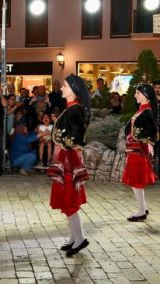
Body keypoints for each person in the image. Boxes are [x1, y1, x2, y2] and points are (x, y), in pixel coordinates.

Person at [48, 75, 91, 257]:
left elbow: (77, 136)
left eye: (65, 85)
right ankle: (74, 237)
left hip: (68, 161)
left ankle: (80, 238)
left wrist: (64, 147)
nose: (62, 88)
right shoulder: (70, 108)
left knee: (70, 199)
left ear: (74, 89)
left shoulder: (75, 110)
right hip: (65, 159)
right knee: (68, 200)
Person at [122, 84, 158, 222]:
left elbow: (153, 132)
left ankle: (141, 211)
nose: (135, 95)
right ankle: (143, 207)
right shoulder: (142, 110)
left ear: (145, 95)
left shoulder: (147, 111)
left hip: (138, 151)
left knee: (135, 181)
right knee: (135, 181)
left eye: (137, 93)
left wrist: (142, 139)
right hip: (135, 150)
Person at [11, 109, 39, 175]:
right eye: (25, 128)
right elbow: (28, 140)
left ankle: (27, 167)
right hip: (16, 160)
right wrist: (41, 134)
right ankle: (23, 169)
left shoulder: (23, 135)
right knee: (32, 156)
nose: (26, 128)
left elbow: (29, 136)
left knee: (34, 152)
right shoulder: (19, 136)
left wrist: (35, 131)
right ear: (21, 130)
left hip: (21, 158)